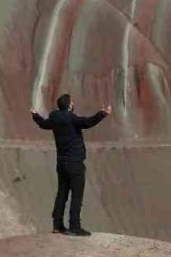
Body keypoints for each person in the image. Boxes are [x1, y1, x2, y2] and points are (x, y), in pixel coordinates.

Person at [31, 94, 111, 236]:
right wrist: (102, 114)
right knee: (77, 195)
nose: (73, 104)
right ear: (68, 106)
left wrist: (35, 115)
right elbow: (88, 122)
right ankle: (74, 226)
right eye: (72, 102)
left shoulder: (54, 119)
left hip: (61, 162)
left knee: (62, 193)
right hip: (75, 163)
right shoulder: (72, 118)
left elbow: (42, 124)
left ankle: (57, 225)